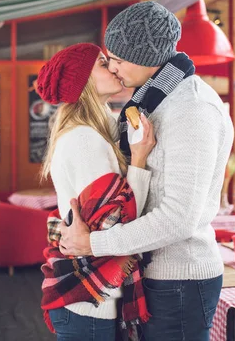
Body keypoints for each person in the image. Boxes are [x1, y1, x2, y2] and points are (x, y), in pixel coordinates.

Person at [58, 1, 235, 340]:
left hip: (180, 276)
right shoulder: (152, 99)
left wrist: (93, 243)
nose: (113, 68)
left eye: (120, 60)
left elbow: (179, 218)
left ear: (148, 59)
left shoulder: (190, 108)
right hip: (155, 273)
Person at [37, 43, 156, 341]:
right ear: (84, 80)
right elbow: (118, 223)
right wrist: (139, 160)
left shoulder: (94, 131)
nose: (114, 67)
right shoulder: (85, 139)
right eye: (103, 63)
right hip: (88, 300)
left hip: (87, 296)